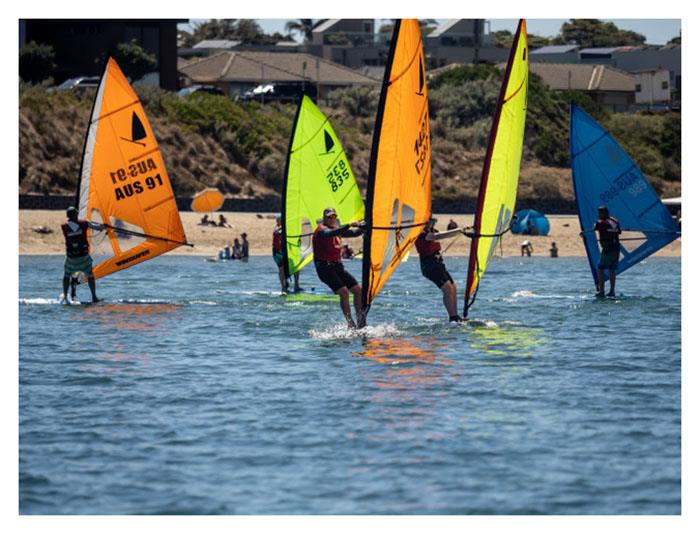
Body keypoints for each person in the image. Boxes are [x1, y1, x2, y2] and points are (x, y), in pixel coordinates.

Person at [312, 207, 365, 328]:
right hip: (324, 269)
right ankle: (350, 323)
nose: (331, 219)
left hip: (337, 267)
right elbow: (329, 233)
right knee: (344, 292)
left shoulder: (336, 229)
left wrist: (364, 227)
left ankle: (360, 320)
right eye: (329, 217)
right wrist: (348, 225)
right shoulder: (321, 230)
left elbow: (354, 233)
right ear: (324, 218)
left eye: (334, 217)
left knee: (358, 290)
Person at [415, 217, 465, 322]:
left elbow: (443, 234)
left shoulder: (432, 231)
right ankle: (452, 317)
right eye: (430, 222)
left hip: (438, 264)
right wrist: (457, 231)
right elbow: (435, 237)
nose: (432, 224)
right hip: (429, 266)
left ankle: (456, 315)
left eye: (433, 222)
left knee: (453, 287)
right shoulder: (420, 233)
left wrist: (459, 230)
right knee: (447, 288)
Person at [61, 206, 100, 303]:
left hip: (71, 259)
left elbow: (73, 226)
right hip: (83, 258)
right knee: (90, 275)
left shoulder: (64, 226)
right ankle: (94, 297)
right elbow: (97, 227)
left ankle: (65, 296)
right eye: (77, 213)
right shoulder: (84, 223)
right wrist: (104, 227)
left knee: (66, 276)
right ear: (75, 215)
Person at [593, 205, 621, 297]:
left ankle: (601, 291)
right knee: (611, 269)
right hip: (616, 248)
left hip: (608, 248)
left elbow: (595, 227)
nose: (598, 215)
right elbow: (619, 231)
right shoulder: (614, 221)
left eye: (600, 213)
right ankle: (612, 291)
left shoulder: (601, 223)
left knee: (600, 268)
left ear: (604, 213)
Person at [272, 216, 300, 293]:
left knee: (296, 266)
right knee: (281, 269)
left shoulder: (286, 229)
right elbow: (278, 232)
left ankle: (296, 285)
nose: (282, 222)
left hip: (286, 252)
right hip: (277, 253)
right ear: (277, 222)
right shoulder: (276, 228)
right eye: (280, 220)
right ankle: (283, 287)